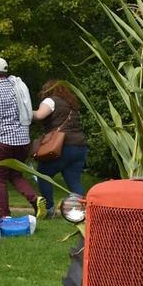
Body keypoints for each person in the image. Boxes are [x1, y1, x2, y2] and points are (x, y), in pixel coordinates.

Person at [0, 56, 45, 219]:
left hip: (3, 140)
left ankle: (4, 214)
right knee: (16, 174)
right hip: (23, 140)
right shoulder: (17, 86)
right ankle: (35, 199)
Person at [32, 80, 88, 217]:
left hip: (63, 146)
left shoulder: (51, 101)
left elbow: (39, 115)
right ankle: (80, 212)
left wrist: (25, 111)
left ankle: (49, 209)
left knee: (43, 174)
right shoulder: (71, 104)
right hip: (80, 146)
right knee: (74, 181)